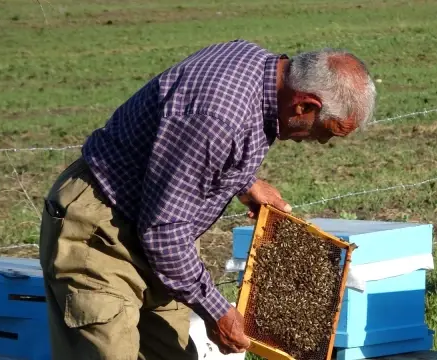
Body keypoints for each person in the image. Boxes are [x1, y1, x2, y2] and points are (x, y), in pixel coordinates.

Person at [38, 39, 376, 360]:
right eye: (326, 130)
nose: (319, 142)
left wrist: (245, 182)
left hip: (153, 228)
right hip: (103, 234)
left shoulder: (256, 66)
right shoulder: (217, 117)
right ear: (304, 105)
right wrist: (218, 313)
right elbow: (163, 232)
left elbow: (185, 155)